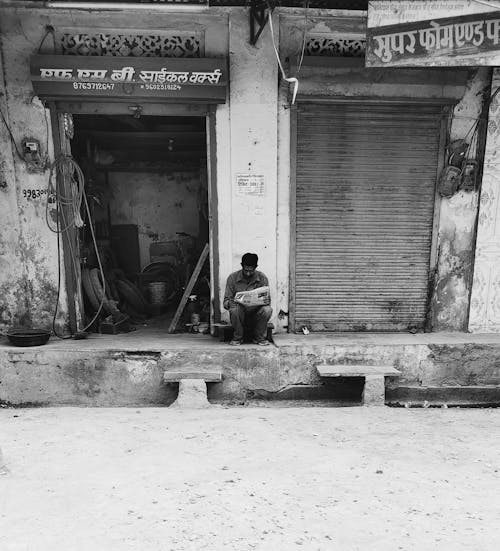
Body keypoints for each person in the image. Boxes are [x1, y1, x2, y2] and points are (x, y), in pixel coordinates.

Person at [223, 253, 272, 346]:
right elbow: (225, 302)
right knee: (234, 310)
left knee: (267, 310)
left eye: (251, 271)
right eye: (246, 270)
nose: (248, 273)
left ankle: (260, 338)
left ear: (256, 267)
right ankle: (238, 338)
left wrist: (263, 301)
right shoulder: (232, 278)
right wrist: (230, 303)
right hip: (239, 314)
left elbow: (267, 301)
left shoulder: (262, 278)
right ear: (242, 266)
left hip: (256, 315)